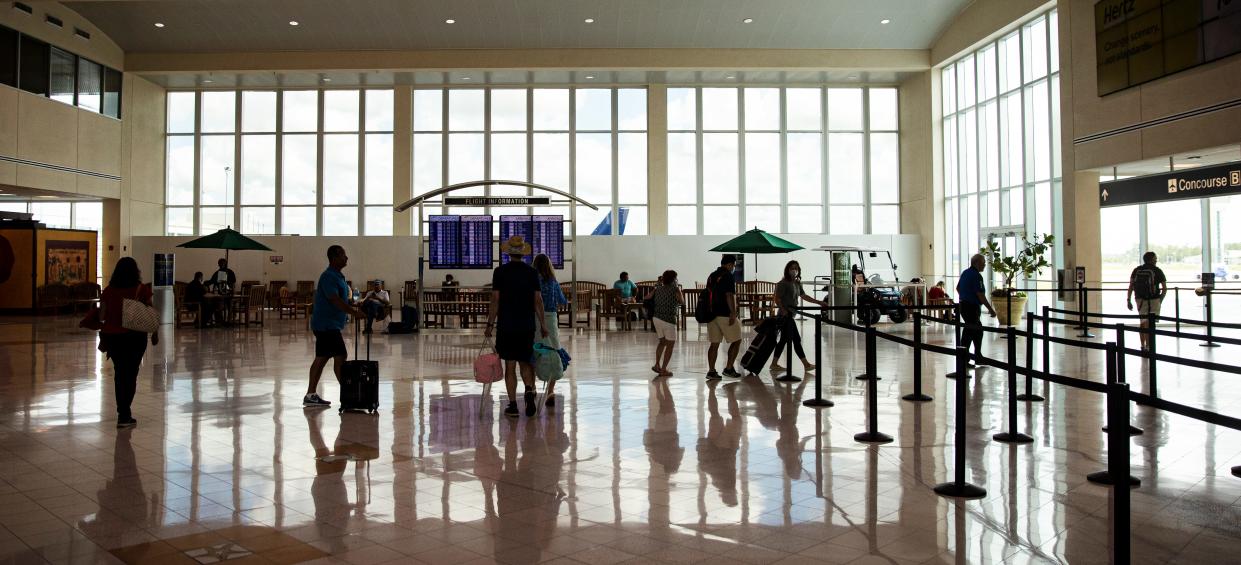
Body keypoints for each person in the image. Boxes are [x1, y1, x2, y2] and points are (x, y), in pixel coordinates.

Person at [485, 236, 548, 418]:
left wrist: (490, 324)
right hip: (526, 325)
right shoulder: (531, 273)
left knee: (510, 365)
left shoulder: (500, 272)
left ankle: (513, 406)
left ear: (508, 254)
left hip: (506, 325)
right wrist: (543, 324)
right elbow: (538, 300)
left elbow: (495, 299)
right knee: (525, 361)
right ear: (523, 253)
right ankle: (529, 390)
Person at [99, 257, 158, 428]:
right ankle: (125, 413)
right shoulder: (142, 290)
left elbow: (102, 316)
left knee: (120, 374)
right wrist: (155, 333)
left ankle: (122, 413)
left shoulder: (109, 291)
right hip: (135, 337)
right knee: (131, 374)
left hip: (114, 338)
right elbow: (150, 313)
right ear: (135, 271)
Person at [305, 245, 365, 408]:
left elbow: (342, 298)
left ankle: (311, 394)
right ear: (334, 258)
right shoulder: (329, 277)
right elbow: (334, 299)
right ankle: (348, 394)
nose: (346, 258)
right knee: (340, 355)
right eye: (343, 255)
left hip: (329, 325)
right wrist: (353, 312)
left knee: (323, 358)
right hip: (326, 325)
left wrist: (354, 306)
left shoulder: (338, 276)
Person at [771, 260, 827, 375]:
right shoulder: (782, 283)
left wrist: (818, 302)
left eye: (796, 268)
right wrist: (784, 311)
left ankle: (774, 364)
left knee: (783, 340)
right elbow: (777, 299)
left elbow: (804, 296)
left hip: (791, 314)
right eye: (792, 268)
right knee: (796, 339)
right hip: (785, 316)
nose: (794, 270)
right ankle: (806, 364)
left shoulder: (797, 283)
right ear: (787, 269)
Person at [533, 254, 567, 408]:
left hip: (534, 318)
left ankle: (532, 387)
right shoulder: (553, 281)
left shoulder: (533, 280)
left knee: (535, 350)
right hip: (551, 318)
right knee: (554, 350)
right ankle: (550, 392)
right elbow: (562, 300)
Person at [705, 255, 742, 380]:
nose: (733, 267)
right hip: (724, 314)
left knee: (714, 344)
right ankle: (729, 368)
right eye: (734, 265)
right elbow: (729, 295)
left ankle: (711, 371)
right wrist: (732, 312)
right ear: (730, 264)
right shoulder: (728, 276)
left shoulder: (712, 275)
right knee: (737, 340)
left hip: (711, 314)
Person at [956, 254, 996, 367]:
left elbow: (958, 288)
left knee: (973, 331)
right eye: (983, 263)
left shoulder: (965, 272)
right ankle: (969, 357)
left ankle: (969, 357)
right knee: (972, 331)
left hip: (963, 306)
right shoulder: (976, 276)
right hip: (971, 307)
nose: (984, 265)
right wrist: (991, 309)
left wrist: (965, 296)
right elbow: (980, 295)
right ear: (977, 263)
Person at [646, 270, 684, 378]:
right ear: (674, 279)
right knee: (670, 345)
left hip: (656, 318)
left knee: (662, 342)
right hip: (669, 319)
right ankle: (663, 369)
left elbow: (647, 297)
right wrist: (679, 291)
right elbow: (682, 302)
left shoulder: (658, 289)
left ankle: (657, 364)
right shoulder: (676, 289)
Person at [1127, 251, 1167, 351]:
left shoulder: (1137, 270)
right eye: (1155, 258)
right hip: (1154, 299)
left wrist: (1128, 299)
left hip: (1139, 299)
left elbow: (1131, 286)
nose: (1156, 260)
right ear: (1152, 260)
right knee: (1150, 323)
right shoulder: (1157, 270)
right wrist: (1160, 299)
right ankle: (1149, 346)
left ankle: (1142, 345)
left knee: (1143, 322)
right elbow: (1164, 288)